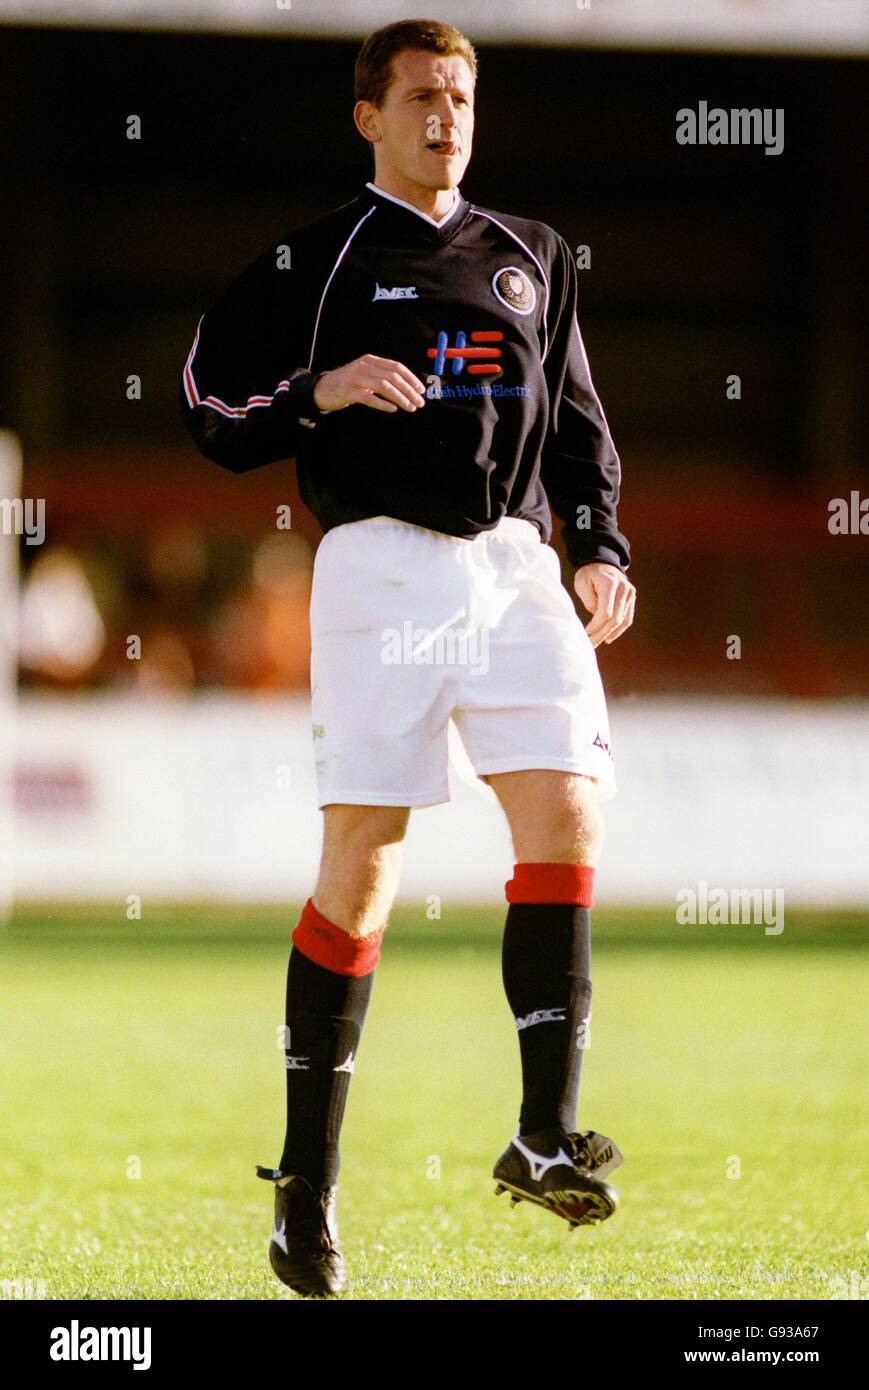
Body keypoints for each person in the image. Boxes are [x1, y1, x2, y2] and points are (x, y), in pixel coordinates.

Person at [180, 17, 636, 1299]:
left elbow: (580, 435)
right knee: (362, 867)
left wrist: (597, 548)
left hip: (512, 568)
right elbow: (206, 404)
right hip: (377, 570)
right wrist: (319, 390)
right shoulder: (315, 258)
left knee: (568, 812)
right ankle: (306, 1193)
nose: (447, 116)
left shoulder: (531, 259)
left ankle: (541, 1130)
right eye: (422, 97)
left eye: (462, 96)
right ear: (367, 116)